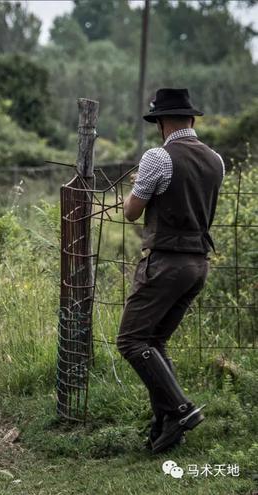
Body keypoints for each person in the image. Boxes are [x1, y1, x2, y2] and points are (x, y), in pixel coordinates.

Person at [116, 88, 225, 454]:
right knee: (155, 342)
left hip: (165, 263)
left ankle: (181, 410)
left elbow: (132, 212)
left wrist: (131, 195)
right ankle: (164, 427)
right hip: (198, 264)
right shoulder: (216, 160)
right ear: (191, 119)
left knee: (131, 340)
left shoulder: (158, 158)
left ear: (161, 123)